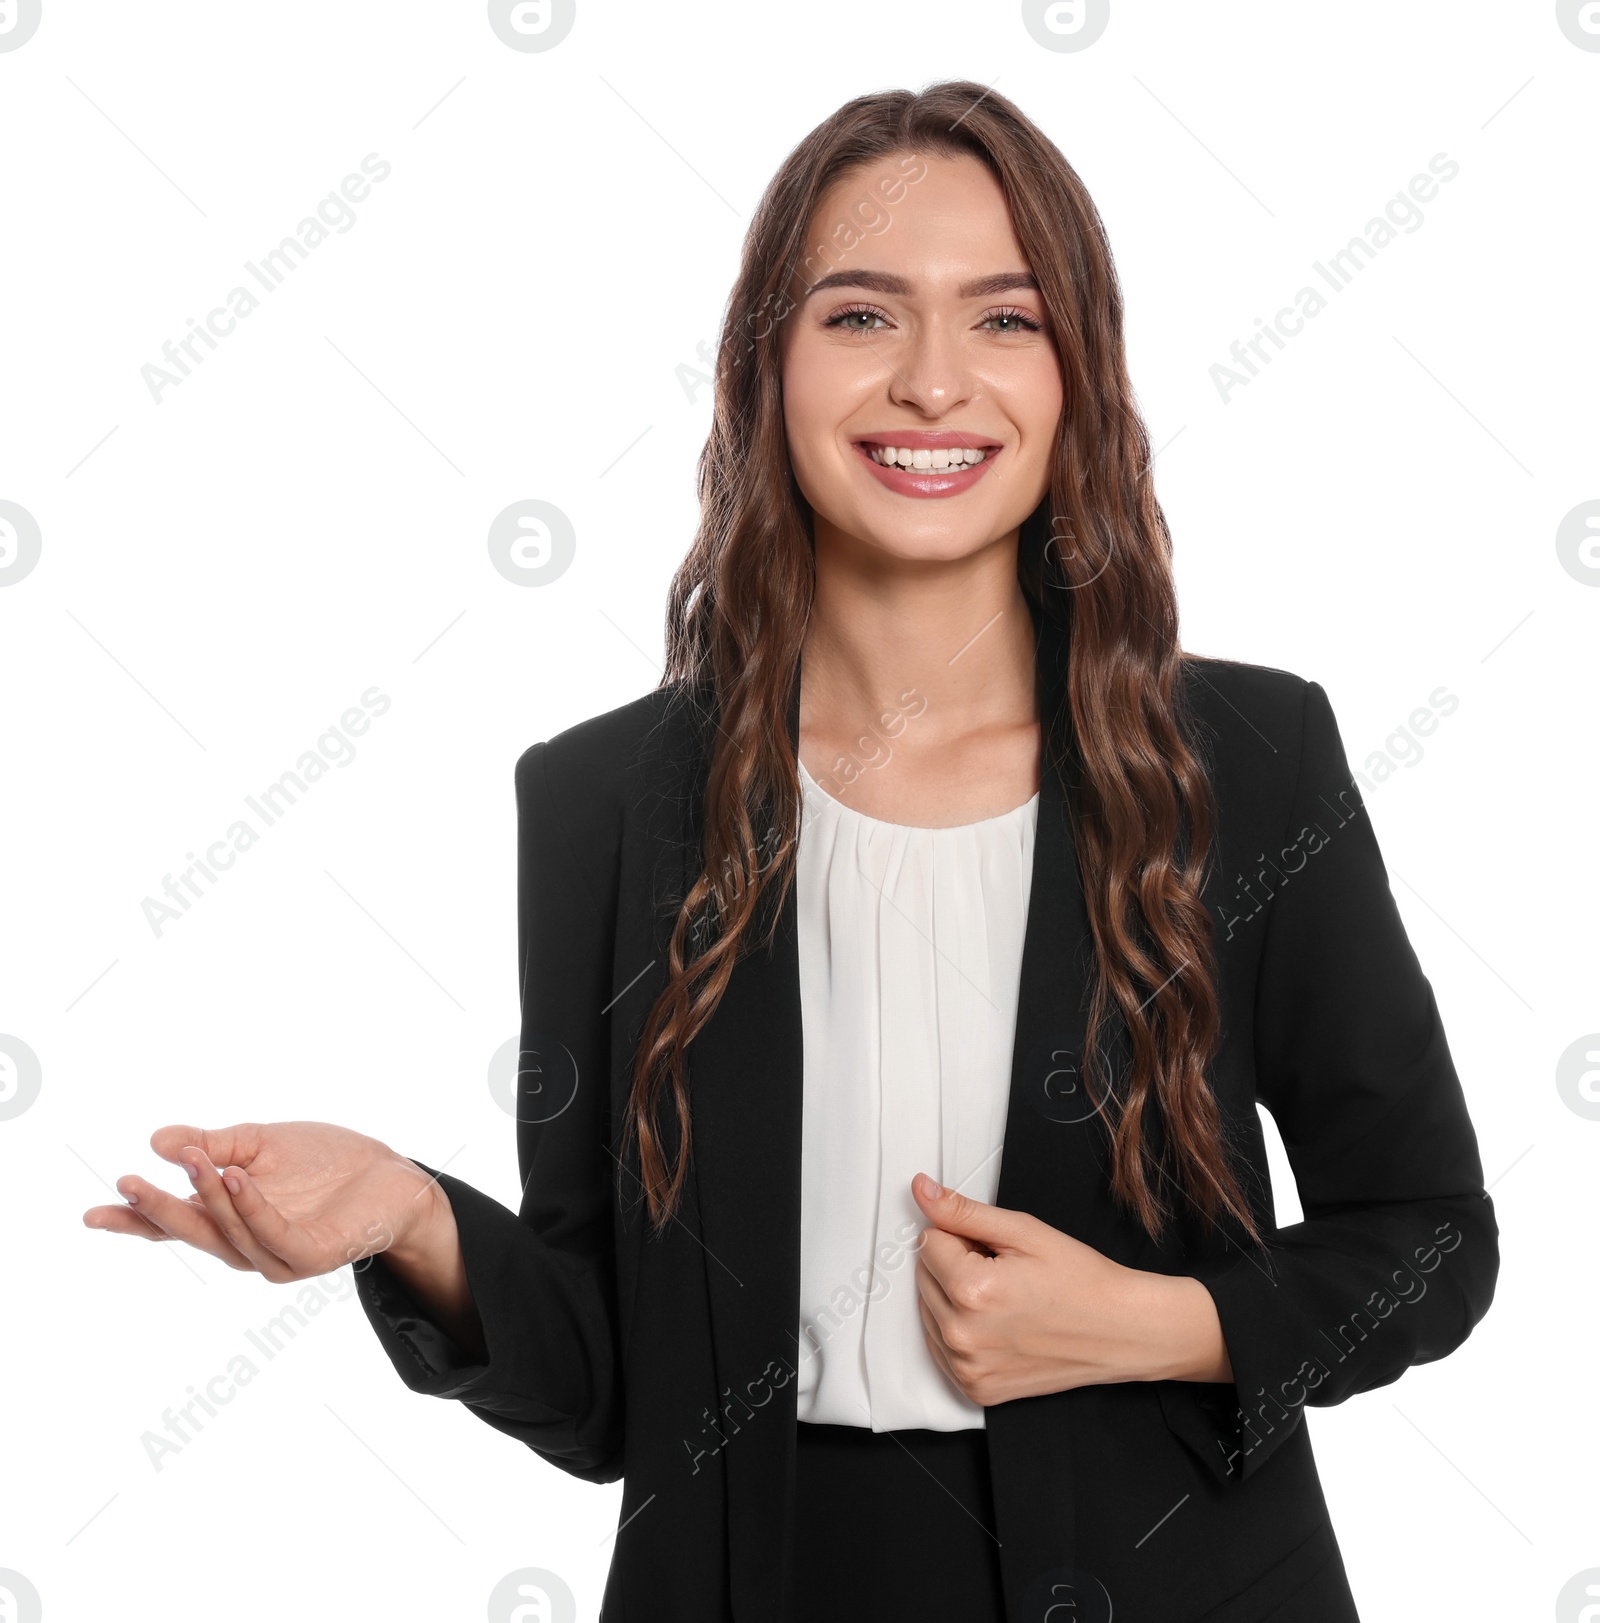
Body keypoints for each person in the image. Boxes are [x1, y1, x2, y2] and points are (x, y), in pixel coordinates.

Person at [83, 81, 1499, 1622]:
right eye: (862, 317)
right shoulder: (606, 798)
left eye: (1006, 320)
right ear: (768, 364)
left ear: (1082, 370)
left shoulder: (1247, 762)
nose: (935, 385)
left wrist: (1153, 1325)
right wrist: (410, 1220)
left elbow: (1431, 1240)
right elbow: (611, 1388)